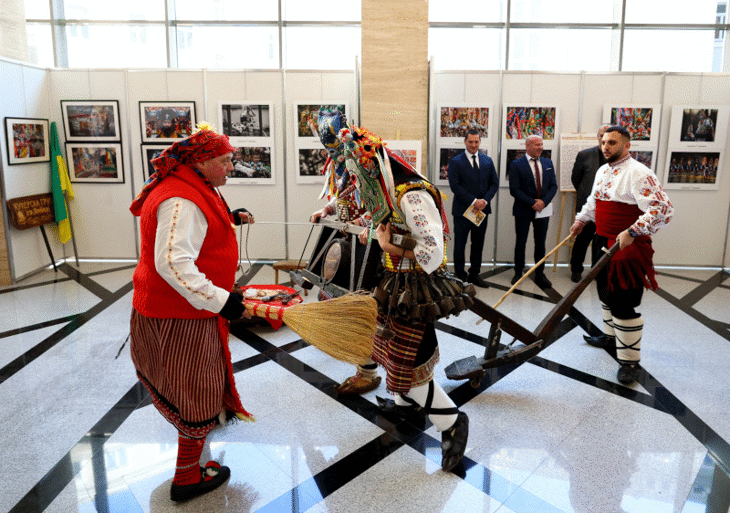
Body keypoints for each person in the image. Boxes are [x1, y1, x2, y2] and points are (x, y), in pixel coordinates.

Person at [128, 123, 256, 502]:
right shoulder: (181, 200)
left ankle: (193, 462)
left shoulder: (191, 187)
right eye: (226, 160)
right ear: (201, 162)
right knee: (195, 390)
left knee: (191, 386)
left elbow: (195, 230)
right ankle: (186, 478)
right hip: (181, 317)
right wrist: (221, 300)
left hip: (177, 312)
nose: (232, 166)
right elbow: (172, 262)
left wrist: (229, 218)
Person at [339, 124, 475, 473]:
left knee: (410, 364)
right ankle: (404, 404)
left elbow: (433, 251)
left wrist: (388, 245)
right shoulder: (387, 191)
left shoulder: (410, 195)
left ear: (375, 164)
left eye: (361, 168)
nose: (358, 175)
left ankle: (452, 423)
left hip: (415, 289)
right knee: (392, 353)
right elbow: (384, 225)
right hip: (395, 284)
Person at [570, 126, 673, 385]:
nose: (606, 147)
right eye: (604, 142)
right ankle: (609, 336)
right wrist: (581, 220)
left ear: (627, 146)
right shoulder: (603, 170)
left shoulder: (640, 173)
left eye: (612, 143)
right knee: (605, 291)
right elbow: (594, 201)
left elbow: (663, 210)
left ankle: (629, 362)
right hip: (601, 239)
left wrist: (633, 231)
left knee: (623, 301)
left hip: (626, 247)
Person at [309, 107, 380, 395]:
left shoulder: (368, 164)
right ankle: (358, 358)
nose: (335, 157)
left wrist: (368, 223)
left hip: (373, 251)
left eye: (338, 150)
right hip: (349, 246)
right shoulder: (344, 168)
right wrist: (327, 209)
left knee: (362, 309)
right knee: (340, 300)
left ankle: (368, 369)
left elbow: (384, 206)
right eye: (330, 152)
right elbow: (344, 198)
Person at [447, 129, 499, 288]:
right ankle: (460, 276)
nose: (474, 145)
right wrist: (473, 201)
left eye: (476, 142)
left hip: (481, 211)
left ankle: (474, 274)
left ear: (479, 142)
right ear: (465, 141)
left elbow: (494, 184)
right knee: (460, 244)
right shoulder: (455, 161)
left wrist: (484, 200)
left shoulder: (487, 161)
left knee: (478, 243)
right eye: (471, 142)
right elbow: (455, 186)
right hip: (463, 211)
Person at [508, 134, 558, 289]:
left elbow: (553, 186)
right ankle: (518, 272)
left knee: (540, 243)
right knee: (521, 242)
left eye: (541, 144)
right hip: (523, 209)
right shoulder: (516, 164)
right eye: (536, 145)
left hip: (543, 210)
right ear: (527, 146)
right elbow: (514, 190)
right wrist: (532, 203)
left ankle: (540, 273)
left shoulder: (548, 163)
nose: (540, 148)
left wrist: (543, 202)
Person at [569, 124, 609, 283]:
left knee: (602, 241)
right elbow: (575, 179)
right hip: (587, 206)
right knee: (582, 239)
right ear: (597, 136)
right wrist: (587, 194)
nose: (604, 139)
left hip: (607, 208)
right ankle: (576, 270)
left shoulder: (616, 157)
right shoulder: (584, 155)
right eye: (601, 135)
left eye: (608, 136)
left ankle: (596, 270)